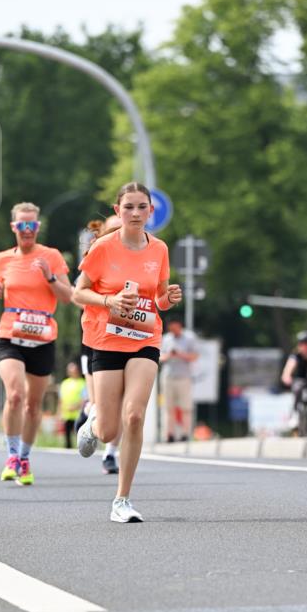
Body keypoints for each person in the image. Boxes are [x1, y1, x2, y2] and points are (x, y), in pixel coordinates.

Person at [74, 182, 182, 522]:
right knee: (109, 431)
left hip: (145, 338)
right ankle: (93, 424)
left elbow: (159, 298)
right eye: (129, 207)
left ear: (151, 210)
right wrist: (110, 301)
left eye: (142, 207)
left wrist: (168, 299)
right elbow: (78, 293)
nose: (135, 213)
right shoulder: (103, 248)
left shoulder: (159, 249)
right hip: (106, 339)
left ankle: (122, 499)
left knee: (134, 416)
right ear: (117, 211)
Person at [0, 202, 72, 485]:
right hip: (10, 335)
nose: (27, 230)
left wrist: (49, 276)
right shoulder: (2, 259)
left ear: (38, 227)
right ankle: (11, 456)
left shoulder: (52, 256)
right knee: (15, 394)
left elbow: (67, 296)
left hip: (43, 337)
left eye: (32, 225)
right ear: (14, 227)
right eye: (22, 225)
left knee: (33, 405)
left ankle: (24, 458)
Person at [76, 214, 123, 475]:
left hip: (130, 338)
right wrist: (108, 301)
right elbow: (78, 295)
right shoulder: (95, 257)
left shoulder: (143, 255)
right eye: (113, 229)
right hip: (97, 338)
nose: (118, 233)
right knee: (101, 404)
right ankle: (91, 414)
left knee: (124, 404)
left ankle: (110, 454)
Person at [159, 316, 199, 441]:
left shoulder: (190, 338)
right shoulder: (166, 339)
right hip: (168, 377)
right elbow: (160, 357)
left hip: (184, 377)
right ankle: (169, 434)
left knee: (186, 407)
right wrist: (169, 355)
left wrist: (180, 354)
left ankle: (185, 434)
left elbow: (195, 356)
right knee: (168, 407)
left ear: (180, 326)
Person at [59, 361, 86, 449]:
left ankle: (82, 448)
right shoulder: (65, 383)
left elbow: (84, 398)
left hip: (78, 414)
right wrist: (59, 412)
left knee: (80, 435)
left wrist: (75, 407)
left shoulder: (82, 383)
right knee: (67, 438)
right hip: (67, 414)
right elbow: (61, 399)